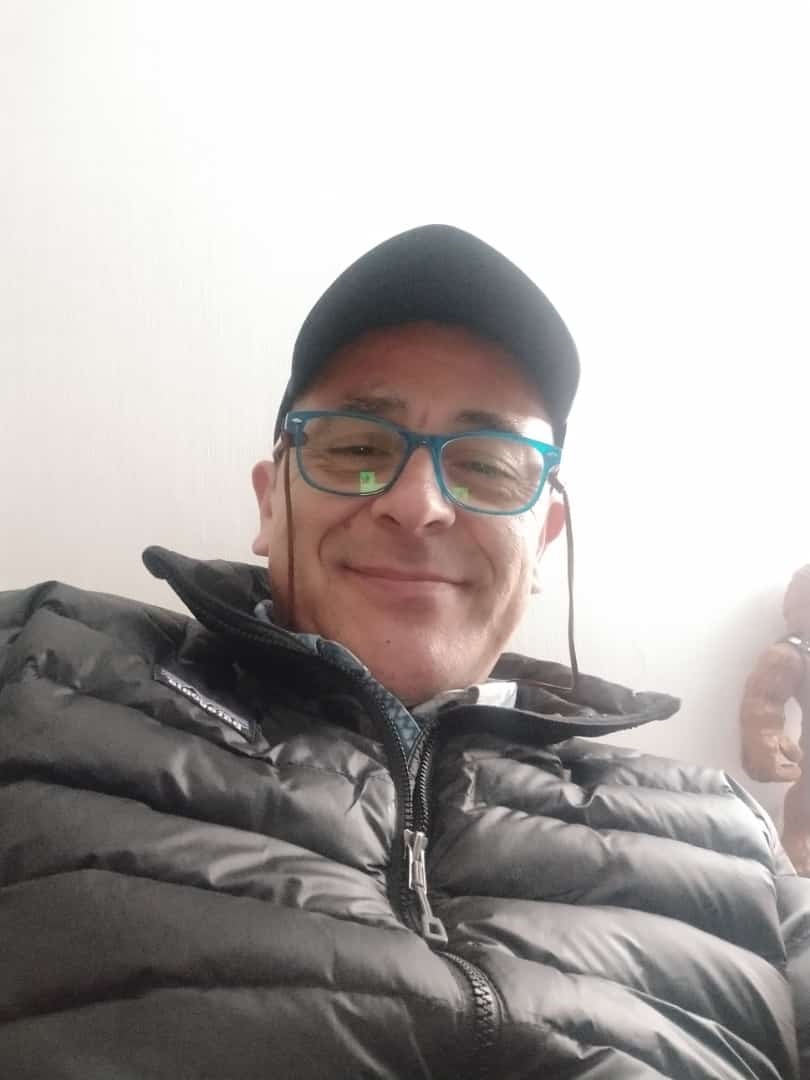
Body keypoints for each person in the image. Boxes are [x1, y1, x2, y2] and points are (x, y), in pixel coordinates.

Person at [0, 225, 808, 1079]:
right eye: (357, 448)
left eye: (489, 465)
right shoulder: (32, 664)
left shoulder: (729, 840)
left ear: (544, 539)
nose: (418, 504)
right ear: (270, 504)